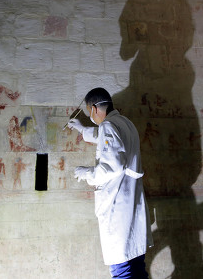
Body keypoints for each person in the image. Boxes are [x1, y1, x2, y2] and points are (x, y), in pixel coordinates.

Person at [67, 87, 153, 278]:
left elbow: (112, 165)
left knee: (121, 270)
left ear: (95, 108)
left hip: (117, 206)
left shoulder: (108, 126)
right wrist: (83, 130)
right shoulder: (125, 123)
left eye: (89, 111)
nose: (90, 115)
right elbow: (108, 139)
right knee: (137, 266)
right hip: (131, 203)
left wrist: (87, 173)